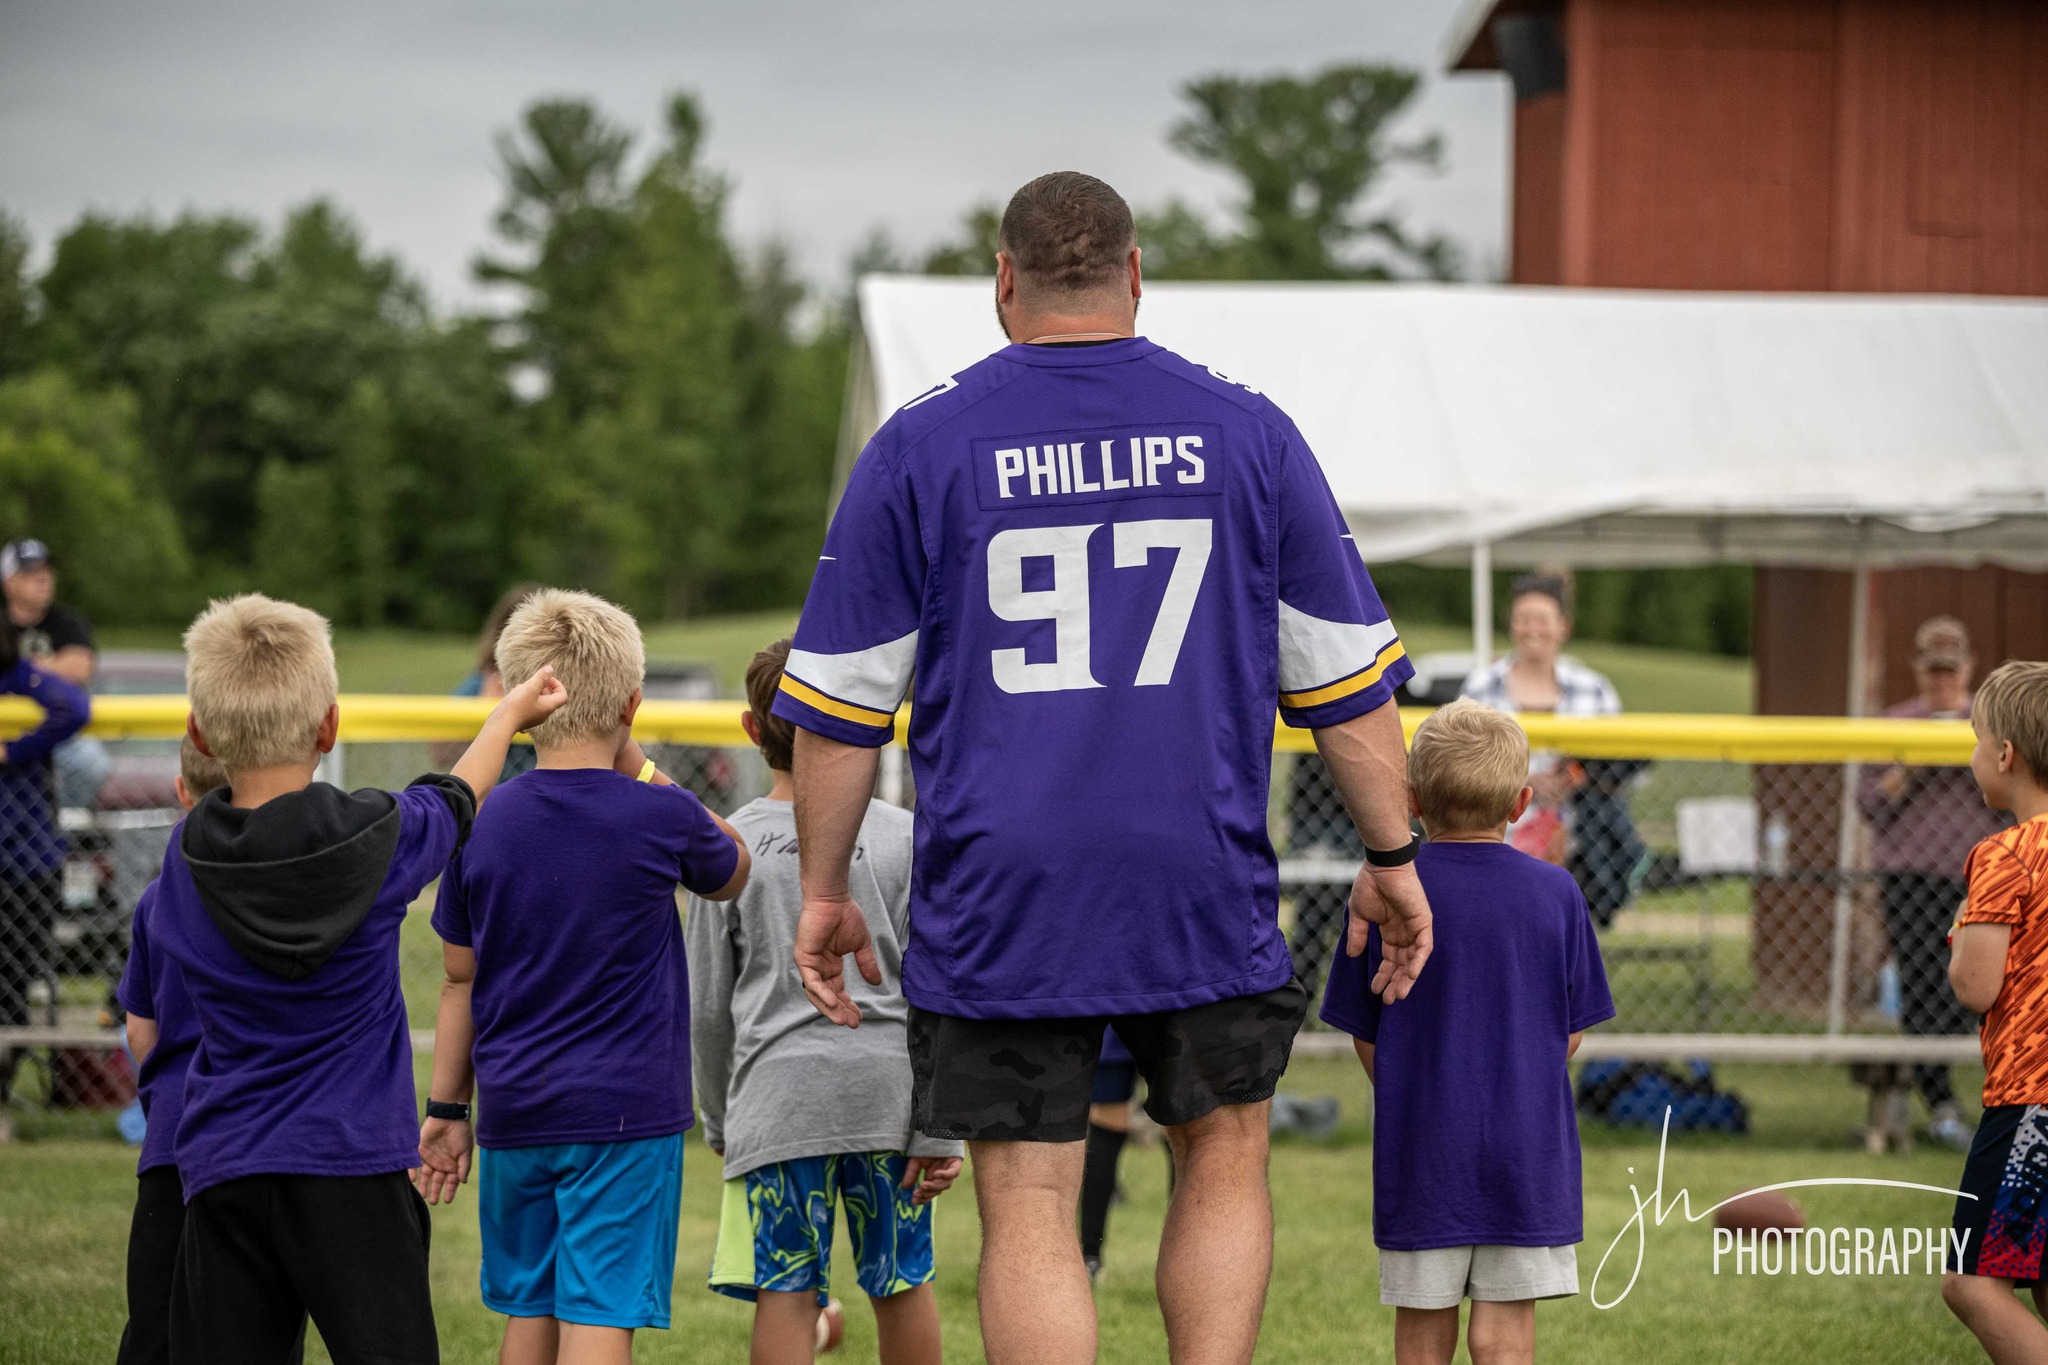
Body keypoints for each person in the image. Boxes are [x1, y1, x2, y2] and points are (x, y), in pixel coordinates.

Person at [775, 171, 1433, 1364]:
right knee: (1221, 1150)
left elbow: (838, 711)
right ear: (1134, 275)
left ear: (1003, 281)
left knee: (1027, 1192)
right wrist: (1391, 855)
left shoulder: (921, 441)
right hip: (1196, 855)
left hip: (1003, 872)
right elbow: (1347, 688)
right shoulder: (1247, 431)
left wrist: (824, 891)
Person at [147, 593, 562, 1364]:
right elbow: (458, 795)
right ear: (329, 726)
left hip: (225, 1163)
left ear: (200, 732)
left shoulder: (184, 860)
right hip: (354, 1169)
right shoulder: (375, 835)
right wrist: (505, 717)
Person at [415, 589, 750, 1365]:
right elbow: (733, 866)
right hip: (624, 1115)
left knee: (531, 1308)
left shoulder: (481, 820)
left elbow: (458, 982)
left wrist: (444, 1106)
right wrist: (640, 762)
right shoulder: (657, 816)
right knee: (598, 1314)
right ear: (632, 703)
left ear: (520, 699)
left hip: (515, 1108)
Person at [690, 637, 959, 1365]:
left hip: (778, 1104)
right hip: (892, 1104)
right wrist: (941, 1125)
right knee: (902, 1281)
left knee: (786, 1290)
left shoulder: (728, 845)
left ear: (751, 728)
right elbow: (940, 993)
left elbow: (708, 1007)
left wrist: (720, 1114)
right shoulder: (909, 838)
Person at [1321, 699, 1614, 1365]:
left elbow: (1366, 1033)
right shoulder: (1557, 892)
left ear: (1413, 800)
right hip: (1527, 1149)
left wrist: (1414, 1085)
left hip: (1422, 1147)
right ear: (1520, 802)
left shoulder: (1387, 890)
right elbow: (1569, 1033)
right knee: (1504, 1337)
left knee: (1423, 1334)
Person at [116, 736, 305, 1365]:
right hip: (266, 1134)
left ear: (180, 792)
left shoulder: (158, 899)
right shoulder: (286, 899)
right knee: (263, 1323)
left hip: (175, 1131)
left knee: (157, 1320)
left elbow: (140, 1031)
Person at [1858, 617, 2006, 1151]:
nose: (1942, 681)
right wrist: (1909, 767)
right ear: (1917, 670)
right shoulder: (1895, 723)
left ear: (1968, 669)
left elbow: (2014, 796)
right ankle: (1939, 1099)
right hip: (1910, 873)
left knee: (1972, 986)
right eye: (1933, 670)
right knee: (1920, 981)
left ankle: (1967, 1095)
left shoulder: (1989, 723)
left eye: (1951, 671)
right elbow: (1868, 804)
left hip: (1976, 874)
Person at [1939, 660, 2048, 1360]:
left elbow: (1976, 984)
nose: (1973, 754)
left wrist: (1959, 927)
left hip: (2031, 1101)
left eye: (1976, 739)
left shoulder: (2005, 854)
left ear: (2004, 755)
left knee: (1971, 1279)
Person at [1461, 574, 1641, 926]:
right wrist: (1521, 779)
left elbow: (1620, 766)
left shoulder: (1595, 689)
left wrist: (1573, 777)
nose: (1532, 629)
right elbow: (1459, 763)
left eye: (1542, 619)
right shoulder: (1480, 685)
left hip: (1578, 848)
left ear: (1563, 627)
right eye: (1523, 618)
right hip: (1497, 843)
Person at [0, 619, 91, 1143]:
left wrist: (13, 750)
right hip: (24, 859)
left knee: (13, 990)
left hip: (25, 864)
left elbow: (75, 708)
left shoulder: (22, 679)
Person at [2, 539, 107, 809]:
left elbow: (81, 668)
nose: (43, 579)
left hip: (58, 730)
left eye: (46, 571)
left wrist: (25, 668)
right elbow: (68, 666)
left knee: (91, 763)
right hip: (6, 728)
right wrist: (52, 664)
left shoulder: (67, 621)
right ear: (9, 582)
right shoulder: (2, 623)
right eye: (31, 573)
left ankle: (64, 824)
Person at [431, 582, 543, 779]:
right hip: (491, 796)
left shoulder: (564, 685)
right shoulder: (482, 683)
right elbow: (440, 753)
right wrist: (485, 714)